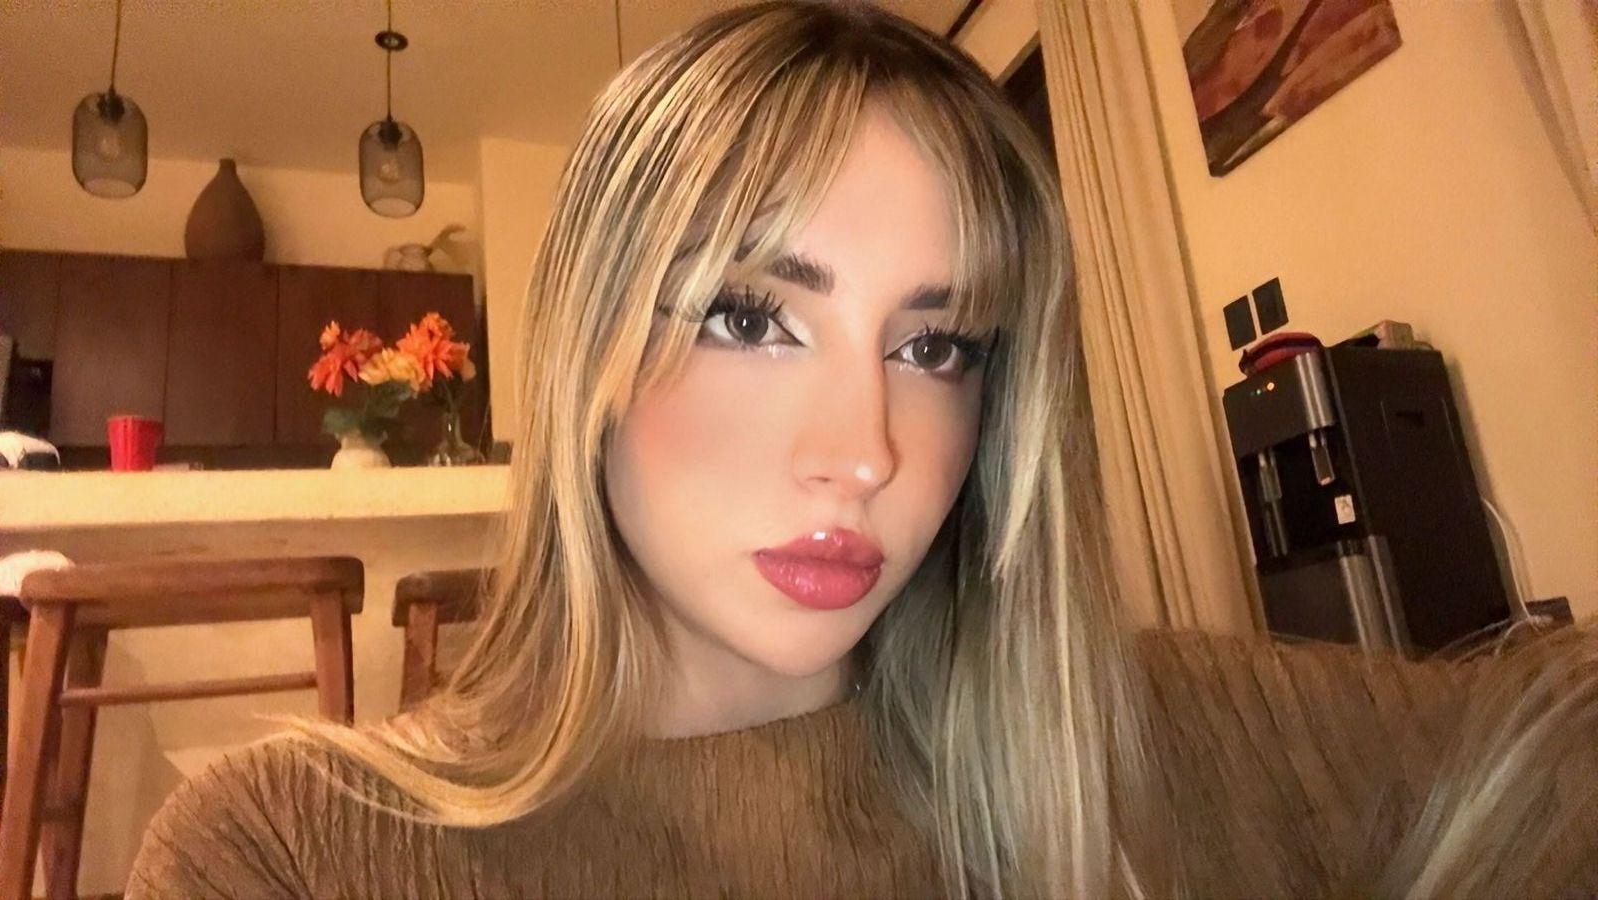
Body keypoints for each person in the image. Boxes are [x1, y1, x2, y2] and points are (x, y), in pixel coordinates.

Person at [126, 2, 1596, 897]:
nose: (866, 454)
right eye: (752, 320)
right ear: (587, 355)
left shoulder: (1138, 731)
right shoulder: (293, 851)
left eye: (935, 347)